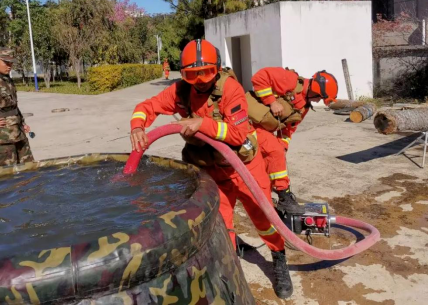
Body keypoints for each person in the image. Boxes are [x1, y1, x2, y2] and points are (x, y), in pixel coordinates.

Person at [130, 39, 293, 299]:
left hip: (244, 168)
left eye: (206, 72)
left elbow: (239, 134)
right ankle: (229, 271)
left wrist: (202, 124)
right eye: (192, 74)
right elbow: (146, 107)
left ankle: (279, 258)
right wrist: (138, 125)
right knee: (220, 224)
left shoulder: (230, 89)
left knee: (265, 219)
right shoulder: (181, 92)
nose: (200, 80)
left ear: (217, 69)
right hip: (211, 173)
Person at [249, 67, 338, 213]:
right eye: (320, 97)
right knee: (274, 150)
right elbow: (259, 77)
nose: (318, 101)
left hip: (262, 127)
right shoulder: (290, 80)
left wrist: (283, 145)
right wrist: (271, 101)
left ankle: (265, 195)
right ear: (314, 89)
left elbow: (289, 129)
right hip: (246, 122)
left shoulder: (304, 106)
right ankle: (284, 196)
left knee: (276, 154)